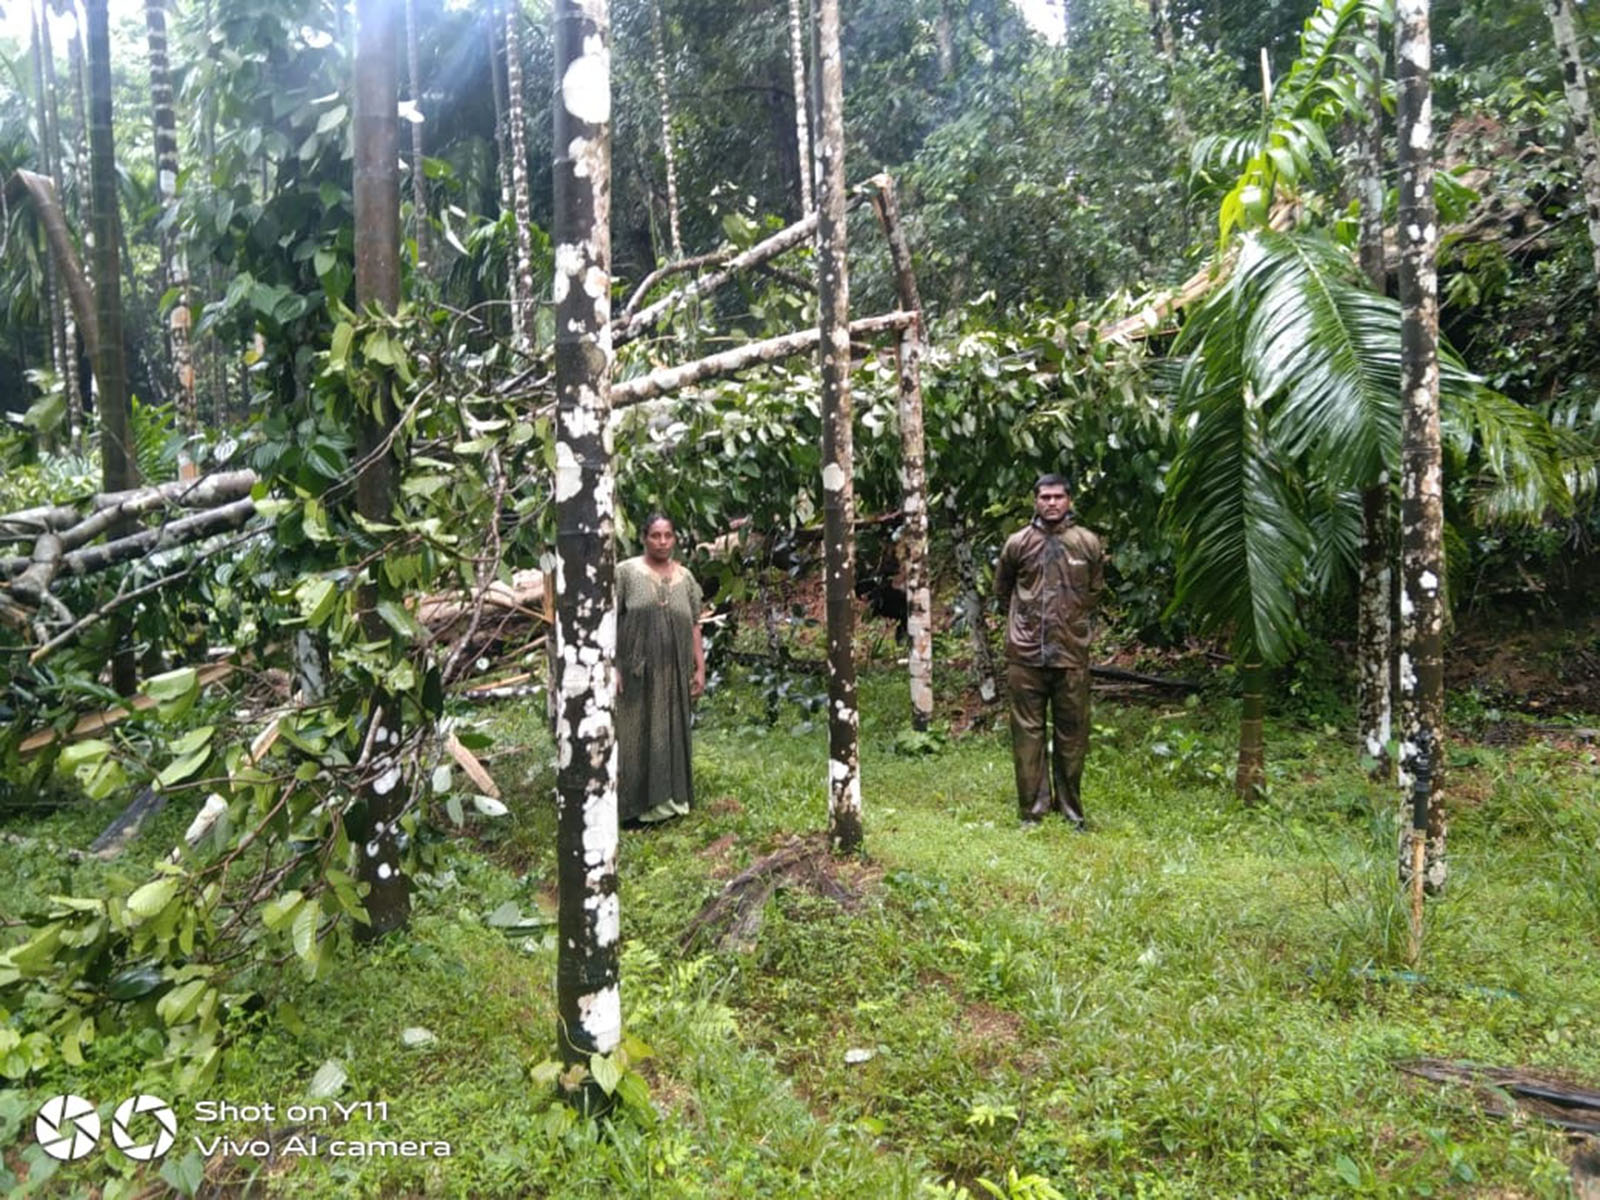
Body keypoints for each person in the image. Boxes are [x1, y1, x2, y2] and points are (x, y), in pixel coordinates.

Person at [994, 474, 1105, 826]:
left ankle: (1071, 810)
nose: (1052, 503)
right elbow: (1003, 591)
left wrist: (1074, 626)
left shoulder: (1087, 542)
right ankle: (1033, 811)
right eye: (1045, 497)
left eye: (1058, 496)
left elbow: (1094, 592)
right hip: (1025, 655)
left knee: (1073, 733)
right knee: (1027, 733)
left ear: (1069, 500)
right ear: (1036, 501)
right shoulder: (1018, 543)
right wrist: (1023, 623)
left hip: (1071, 654)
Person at [616, 514, 706, 825]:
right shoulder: (626, 573)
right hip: (637, 670)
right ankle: (635, 808)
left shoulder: (686, 578)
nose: (662, 542)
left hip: (676, 671)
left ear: (675, 538)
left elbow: (695, 625)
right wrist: (613, 667)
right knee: (635, 733)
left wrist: (699, 667)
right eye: (655, 535)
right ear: (644, 538)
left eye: (668, 535)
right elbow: (609, 620)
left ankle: (670, 803)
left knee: (672, 731)